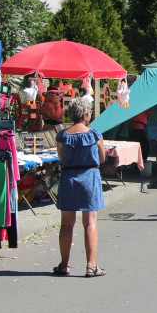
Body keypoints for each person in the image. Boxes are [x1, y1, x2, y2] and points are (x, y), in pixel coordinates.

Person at [53, 97, 107, 277]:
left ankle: (64, 264)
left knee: (66, 224)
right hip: (89, 177)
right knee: (90, 223)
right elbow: (102, 158)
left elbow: (61, 157)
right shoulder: (94, 135)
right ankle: (91, 266)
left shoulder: (62, 136)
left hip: (69, 178)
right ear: (85, 114)